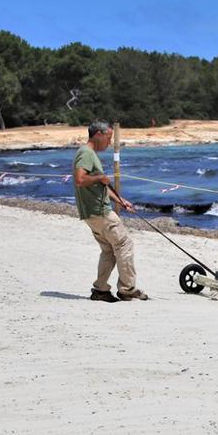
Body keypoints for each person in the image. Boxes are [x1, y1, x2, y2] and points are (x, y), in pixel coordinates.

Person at [74, 120, 149, 302]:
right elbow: (80, 179)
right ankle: (127, 289)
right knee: (124, 244)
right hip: (100, 212)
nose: (109, 142)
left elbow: (101, 185)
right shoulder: (86, 153)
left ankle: (100, 290)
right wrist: (100, 176)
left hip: (91, 213)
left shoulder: (88, 154)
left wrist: (121, 201)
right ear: (98, 134)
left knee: (108, 250)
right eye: (108, 138)